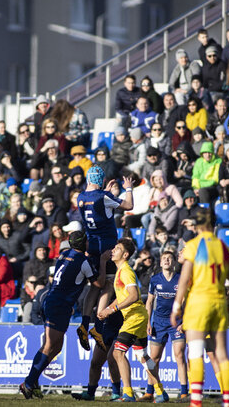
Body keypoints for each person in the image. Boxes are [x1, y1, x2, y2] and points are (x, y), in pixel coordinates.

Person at [19, 231, 109, 399]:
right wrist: (102, 262)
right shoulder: (84, 261)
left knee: (56, 347)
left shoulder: (64, 254)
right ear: (84, 244)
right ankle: (29, 383)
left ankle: (33, 381)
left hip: (54, 302)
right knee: (49, 346)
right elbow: (100, 283)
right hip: (59, 305)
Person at [170, 209, 229, 407]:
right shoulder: (224, 246)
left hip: (198, 302)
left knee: (196, 351)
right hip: (219, 303)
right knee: (222, 354)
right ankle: (226, 401)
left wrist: (176, 307)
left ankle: (196, 401)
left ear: (197, 226)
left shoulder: (193, 246)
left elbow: (184, 279)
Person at [97, 238, 167, 403]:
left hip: (134, 317)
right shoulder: (121, 271)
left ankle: (128, 393)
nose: (113, 250)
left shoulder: (126, 270)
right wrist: (108, 309)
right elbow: (124, 295)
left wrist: (112, 309)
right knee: (142, 355)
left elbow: (134, 295)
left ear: (125, 254)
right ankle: (160, 391)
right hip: (137, 316)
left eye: (118, 248)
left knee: (117, 352)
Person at [76, 166, 133, 352]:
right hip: (107, 247)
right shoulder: (103, 197)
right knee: (108, 284)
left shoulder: (80, 197)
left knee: (94, 285)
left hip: (91, 246)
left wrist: (105, 192)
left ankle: (84, 323)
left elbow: (98, 206)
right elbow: (129, 206)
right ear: (100, 180)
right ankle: (98, 326)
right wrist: (128, 188)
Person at [142, 250, 188, 402]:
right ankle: (150, 392)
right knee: (154, 358)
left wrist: (184, 321)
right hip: (159, 322)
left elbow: (186, 302)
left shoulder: (181, 279)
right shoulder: (155, 279)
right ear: (160, 263)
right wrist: (148, 322)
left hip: (176, 323)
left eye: (170, 258)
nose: (167, 260)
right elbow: (149, 302)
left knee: (179, 355)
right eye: (164, 258)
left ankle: (183, 393)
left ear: (174, 262)